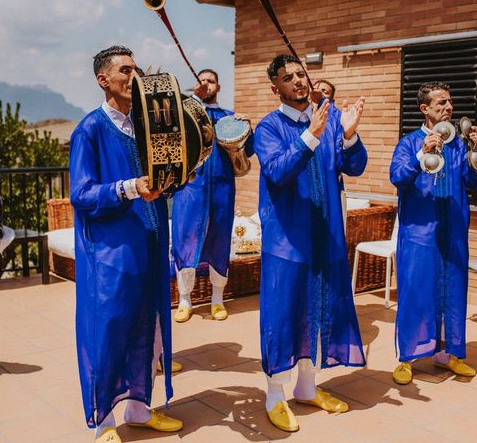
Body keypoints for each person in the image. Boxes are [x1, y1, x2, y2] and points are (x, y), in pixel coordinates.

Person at [69, 45, 184, 443]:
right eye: (126, 71)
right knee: (108, 331)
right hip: (111, 251)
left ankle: (139, 408)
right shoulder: (89, 129)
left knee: (148, 327)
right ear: (104, 80)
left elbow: (169, 176)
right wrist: (129, 187)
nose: (135, 77)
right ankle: (103, 422)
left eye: (136, 69)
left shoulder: (150, 126)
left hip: (151, 241)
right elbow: (82, 194)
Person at [254, 54, 367, 432]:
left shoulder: (331, 121)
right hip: (287, 240)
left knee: (317, 311)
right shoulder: (269, 127)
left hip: (325, 234)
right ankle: (274, 394)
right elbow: (278, 171)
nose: (298, 82)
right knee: (283, 314)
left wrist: (349, 134)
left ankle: (306, 387)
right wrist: (310, 137)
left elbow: (354, 167)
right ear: (276, 89)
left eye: (301, 74)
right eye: (288, 78)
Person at [389, 81, 477, 385]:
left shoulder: (458, 143)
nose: (448, 107)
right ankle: (407, 358)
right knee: (415, 292)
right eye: (441, 103)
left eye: (449, 102)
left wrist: (476, 154)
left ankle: (449, 354)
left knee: (452, 293)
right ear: (425, 109)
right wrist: (422, 153)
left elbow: (474, 183)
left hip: (453, 231)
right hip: (419, 232)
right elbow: (397, 176)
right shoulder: (409, 142)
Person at [171, 68, 254, 323]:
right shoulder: (187, 114)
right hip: (190, 188)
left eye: (211, 81)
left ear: (218, 87)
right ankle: (185, 300)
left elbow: (248, 152)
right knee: (185, 238)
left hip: (221, 188)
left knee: (219, 238)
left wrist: (247, 126)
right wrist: (193, 101)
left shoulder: (228, 117)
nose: (206, 84)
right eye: (201, 80)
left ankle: (217, 300)